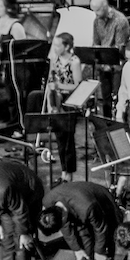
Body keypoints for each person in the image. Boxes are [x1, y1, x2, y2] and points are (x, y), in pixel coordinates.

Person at [32, 32, 82, 182]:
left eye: (58, 45)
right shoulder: (54, 59)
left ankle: (69, 173)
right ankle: (63, 172)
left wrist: (59, 86)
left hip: (69, 102)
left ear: (66, 46)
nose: (55, 48)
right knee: (60, 139)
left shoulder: (74, 62)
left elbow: (77, 85)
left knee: (68, 140)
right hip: (56, 101)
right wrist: (49, 103)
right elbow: (50, 80)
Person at [91, 0, 130, 116]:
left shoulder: (120, 20)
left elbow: (119, 47)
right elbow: (96, 42)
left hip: (117, 64)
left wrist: (108, 61)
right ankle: (106, 120)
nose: (95, 14)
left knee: (117, 96)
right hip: (103, 63)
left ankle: (118, 119)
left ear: (105, 7)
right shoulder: (97, 21)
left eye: (97, 10)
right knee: (105, 97)